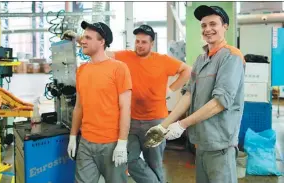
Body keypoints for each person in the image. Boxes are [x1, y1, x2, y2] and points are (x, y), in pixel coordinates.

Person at [63, 23, 191, 183]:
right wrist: (77, 38)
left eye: (144, 42)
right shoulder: (125, 57)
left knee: (155, 163)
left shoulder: (163, 60)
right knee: (129, 159)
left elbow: (187, 71)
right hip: (132, 120)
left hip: (156, 121)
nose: (139, 45)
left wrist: (171, 89)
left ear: (152, 44)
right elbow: (100, 49)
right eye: (137, 41)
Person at [145, 5, 245, 183]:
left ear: (225, 26)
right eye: (204, 25)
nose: (207, 29)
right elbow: (188, 95)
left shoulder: (231, 57)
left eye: (213, 24)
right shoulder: (201, 60)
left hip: (220, 144)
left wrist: (182, 124)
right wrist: (163, 126)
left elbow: (220, 102)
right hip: (201, 142)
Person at [66, 21, 132, 183]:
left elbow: (125, 108)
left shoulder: (119, 68)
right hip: (86, 143)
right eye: (83, 37)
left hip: (111, 143)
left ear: (102, 42)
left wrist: (122, 142)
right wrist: (73, 136)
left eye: (88, 37)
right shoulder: (82, 70)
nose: (82, 41)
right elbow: (79, 107)